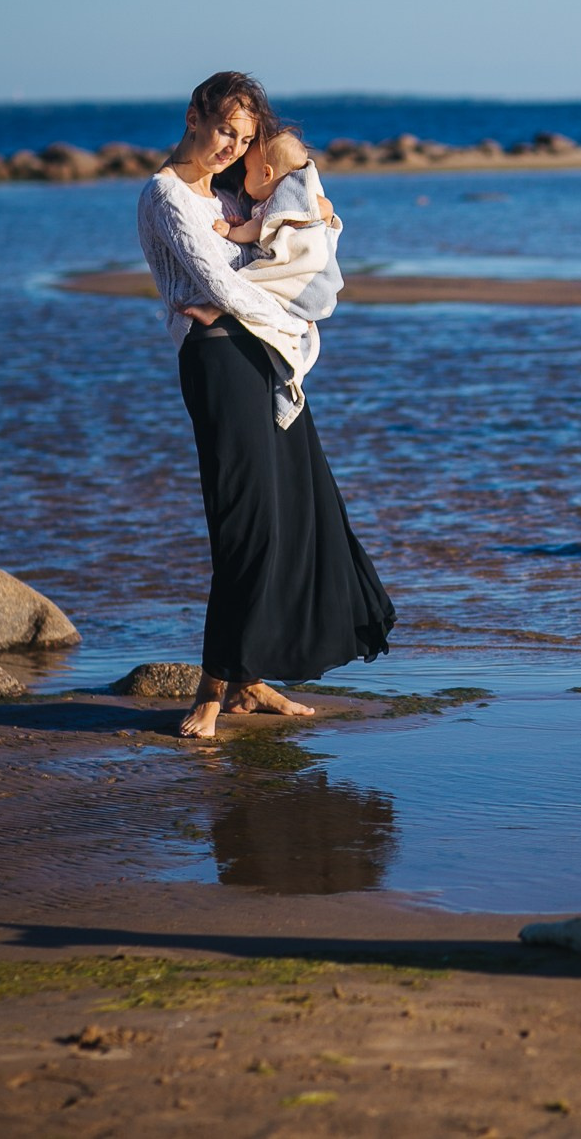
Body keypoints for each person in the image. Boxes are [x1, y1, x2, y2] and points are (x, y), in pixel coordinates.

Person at [136, 71, 395, 739]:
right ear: (194, 114)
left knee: (296, 510)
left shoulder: (224, 191)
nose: (230, 147)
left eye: (243, 137)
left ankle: (249, 678)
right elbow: (217, 282)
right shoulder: (166, 195)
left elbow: (294, 234)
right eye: (224, 128)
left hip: (263, 360)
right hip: (220, 365)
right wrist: (278, 315)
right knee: (243, 524)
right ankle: (210, 691)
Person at [212, 129, 344, 429]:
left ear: (266, 172)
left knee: (241, 288)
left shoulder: (285, 203)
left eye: (246, 172)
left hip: (307, 281)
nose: (243, 180)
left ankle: (215, 309)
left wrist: (230, 232)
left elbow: (258, 229)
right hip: (314, 293)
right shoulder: (283, 200)